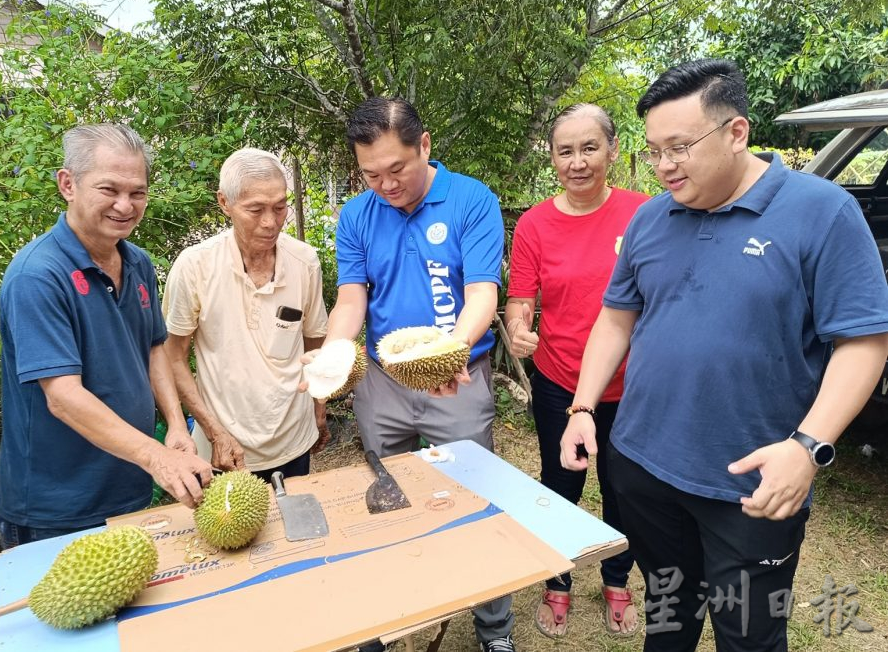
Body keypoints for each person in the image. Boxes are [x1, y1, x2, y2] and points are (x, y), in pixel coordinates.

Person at [560, 59, 888, 652]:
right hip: (643, 463)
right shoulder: (650, 218)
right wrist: (582, 408)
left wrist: (808, 448)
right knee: (668, 610)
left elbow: (864, 341)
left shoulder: (823, 212)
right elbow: (616, 316)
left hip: (753, 481)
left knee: (751, 634)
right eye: (655, 149)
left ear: (737, 132)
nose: (663, 166)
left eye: (680, 148)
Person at [311, 97, 514, 652]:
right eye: (370, 174)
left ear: (424, 146)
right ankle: (384, 618)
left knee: (478, 498)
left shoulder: (471, 200)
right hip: (382, 381)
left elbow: (481, 296)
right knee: (382, 495)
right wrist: (334, 351)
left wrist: (448, 352)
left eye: (396, 169)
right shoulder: (356, 216)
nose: (385, 184)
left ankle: (493, 629)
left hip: (459, 377)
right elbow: (352, 299)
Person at [0, 124, 212, 550]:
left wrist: (173, 426)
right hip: (55, 508)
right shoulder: (37, 276)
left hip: (127, 485)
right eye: (109, 189)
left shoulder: (138, 263)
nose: (125, 205)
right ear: (68, 184)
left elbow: (154, 350)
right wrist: (156, 457)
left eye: (138, 192)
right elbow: (62, 396)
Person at [505, 103, 647, 638]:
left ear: (612, 150)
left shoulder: (644, 214)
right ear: (552, 159)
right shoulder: (536, 224)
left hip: (632, 388)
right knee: (559, 485)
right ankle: (557, 581)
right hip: (559, 382)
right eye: (566, 151)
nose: (578, 162)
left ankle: (616, 579)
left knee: (623, 489)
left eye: (590, 148)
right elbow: (521, 298)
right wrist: (518, 327)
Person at [162, 148, 329, 481]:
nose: (271, 222)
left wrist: (319, 410)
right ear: (225, 203)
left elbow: (315, 342)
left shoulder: (304, 262)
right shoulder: (195, 266)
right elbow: (173, 357)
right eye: (255, 209)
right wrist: (213, 431)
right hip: (224, 448)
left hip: (293, 438)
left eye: (280, 207)